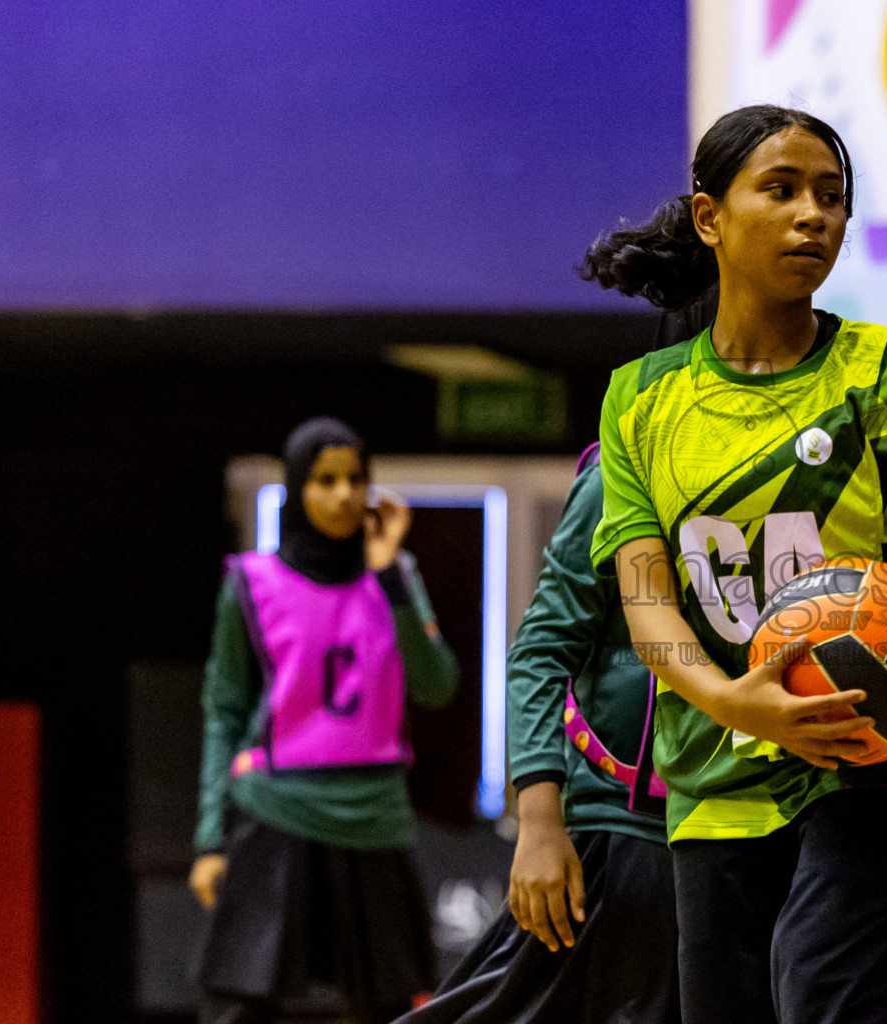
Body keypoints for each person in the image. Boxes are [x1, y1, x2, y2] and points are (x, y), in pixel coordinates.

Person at [582, 104, 887, 1024]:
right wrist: (731, 701)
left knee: (822, 1004)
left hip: (876, 765)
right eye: (784, 190)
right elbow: (648, 604)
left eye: (832, 198)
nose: (815, 216)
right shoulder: (639, 401)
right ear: (710, 216)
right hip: (716, 785)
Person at [394, 289, 718, 1024]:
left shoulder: (800, 479)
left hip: (741, 831)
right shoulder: (622, 473)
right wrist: (541, 823)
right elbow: (542, 647)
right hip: (622, 832)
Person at [190, 417, 459, 1024]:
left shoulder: (396, 578)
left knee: (387, 1006)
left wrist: (388, 574)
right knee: (237, 1001)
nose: (344, 494)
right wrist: (210, 839)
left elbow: (438, 685)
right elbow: (224, 711)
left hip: (375, 818)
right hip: (274, 808)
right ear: (295, 488)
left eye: (356, 479)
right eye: (325, 479)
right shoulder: (250, 583)